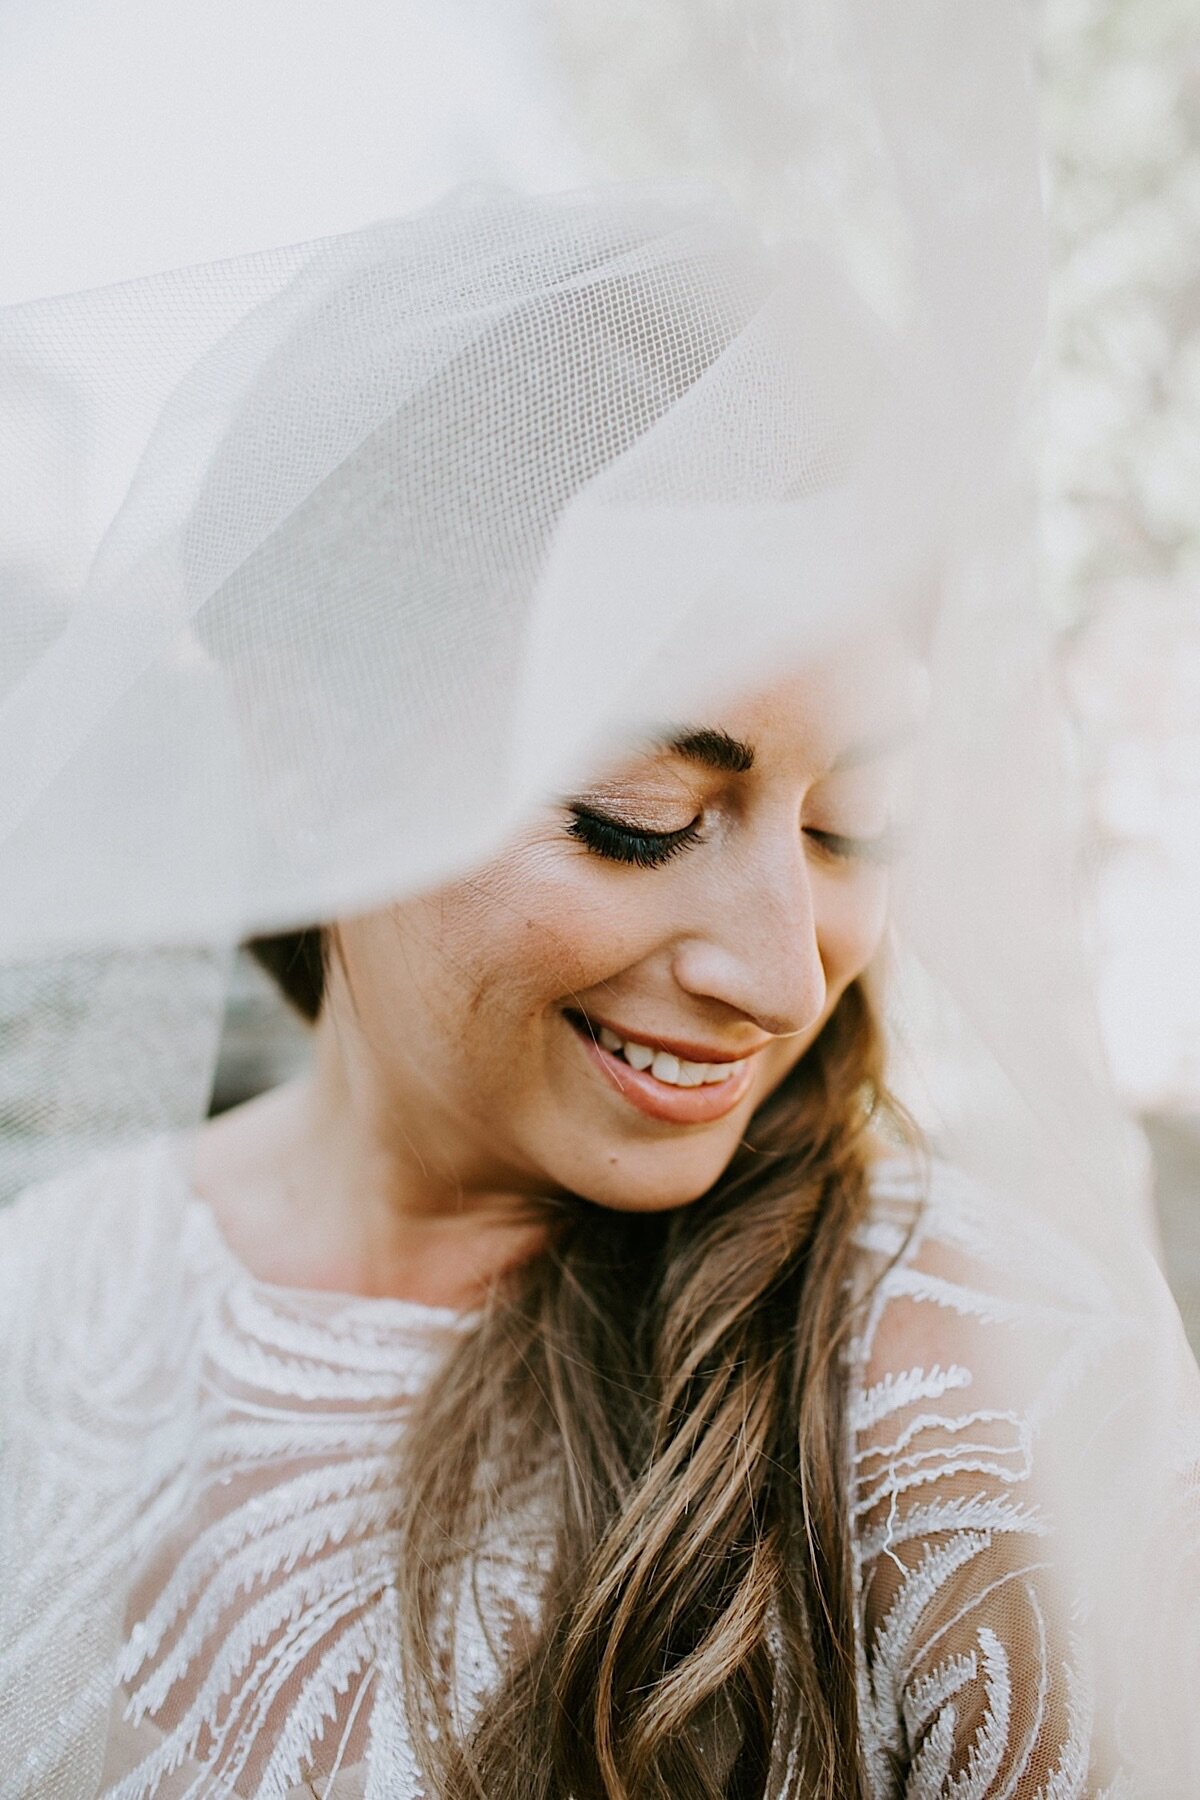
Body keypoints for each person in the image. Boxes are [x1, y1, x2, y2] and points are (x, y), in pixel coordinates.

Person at [0, 181, 1195, 1798]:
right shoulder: (46, 1292)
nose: (782, 974)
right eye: (638, 821)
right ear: (302, 753)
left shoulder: (970, 1403)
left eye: (856, 824)